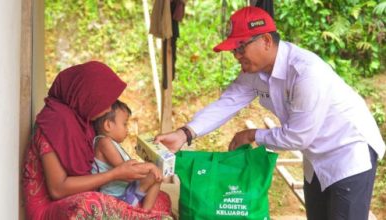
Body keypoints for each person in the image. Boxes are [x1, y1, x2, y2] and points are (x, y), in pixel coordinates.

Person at [155, 6, 386, 220]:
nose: (236, 55)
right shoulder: (255, 72)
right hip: (316, 157)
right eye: (234, 49)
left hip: (347, 152)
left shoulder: (306, 73)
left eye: (241, 47)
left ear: (266, 40)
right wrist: (185, 133)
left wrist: (253, 135)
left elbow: (298, 137)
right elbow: (228, 102)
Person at [23, 61, 172, 220]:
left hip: (86, 193)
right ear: (87, 97)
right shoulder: (55, 123)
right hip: (50, 207)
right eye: (105, 102)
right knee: (92, 205)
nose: (108, 110)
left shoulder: (82, 122)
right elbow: (57, 190)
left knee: (160, 198)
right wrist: (115, 174)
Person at [92, 99, 162, 210]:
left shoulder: (114, 144)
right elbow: (127, 172)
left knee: (158, 175)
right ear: (108, 125)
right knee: (154, 171)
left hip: (127, 189)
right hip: (115, 197)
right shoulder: (104, 142)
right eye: (124, 124)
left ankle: (145, 211)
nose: (127, 129)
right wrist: (149, 166)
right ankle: (135, 201)